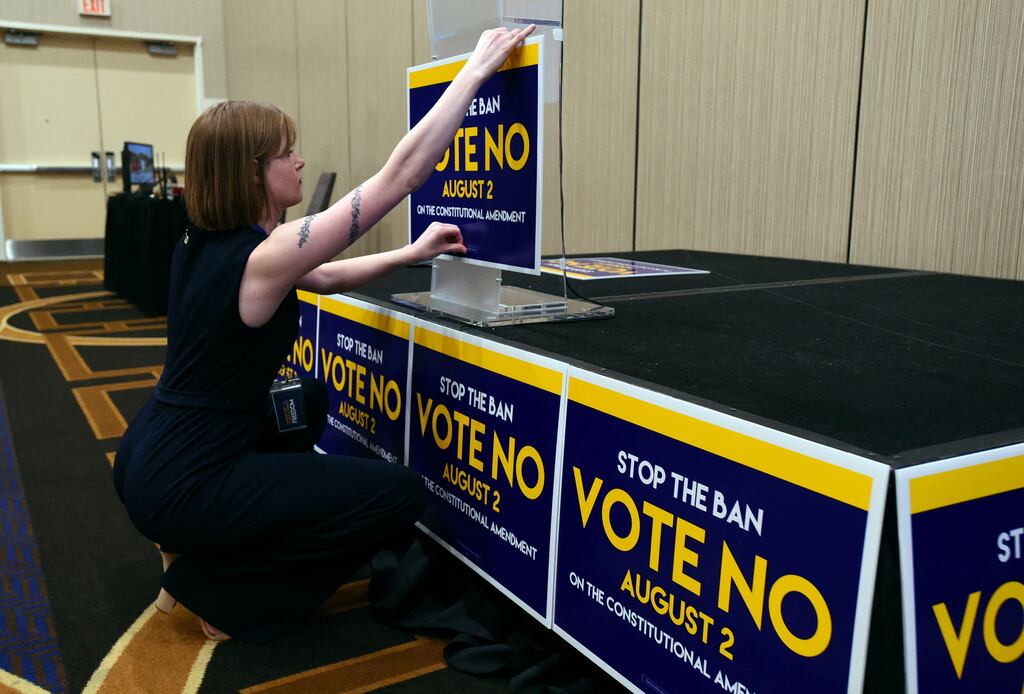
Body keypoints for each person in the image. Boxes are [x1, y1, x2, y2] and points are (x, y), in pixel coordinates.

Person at [112, 24, 536, 642]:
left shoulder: (208, 242)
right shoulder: (267, 253)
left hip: (148, 457)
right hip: (187, 478)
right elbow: (402, 175)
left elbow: (324, 274)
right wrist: (475, 71)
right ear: (252, 171)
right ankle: (218, 592)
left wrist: (408, 253)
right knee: (397, 496)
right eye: (287, 153)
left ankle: (199, 542)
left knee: (303, 400)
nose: (300, 162)